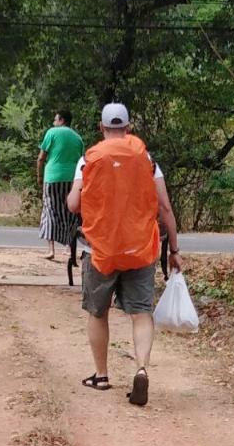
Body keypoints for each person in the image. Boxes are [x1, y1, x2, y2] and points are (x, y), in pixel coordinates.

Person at [67, 102, 181, 407]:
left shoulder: (88, 159)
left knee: (97, 311)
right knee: (141, 312)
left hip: (101, 249)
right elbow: (165, 207)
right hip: (139, 249)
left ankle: (101, 375)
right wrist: (174, 249)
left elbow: (74, 204)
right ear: (128, 128)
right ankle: (141, 368)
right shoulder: (147, 160)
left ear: (102, 128)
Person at [36, 109, 84, 260]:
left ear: (62, 120)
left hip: (52, 177)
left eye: (55, 119)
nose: (53, 122)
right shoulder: (78, 138)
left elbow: (41, 158)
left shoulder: (52, 133)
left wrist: (39, 176)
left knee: (49, 210)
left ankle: (51, 250)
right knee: (70, 212)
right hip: (72, 179)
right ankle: (71, 249)